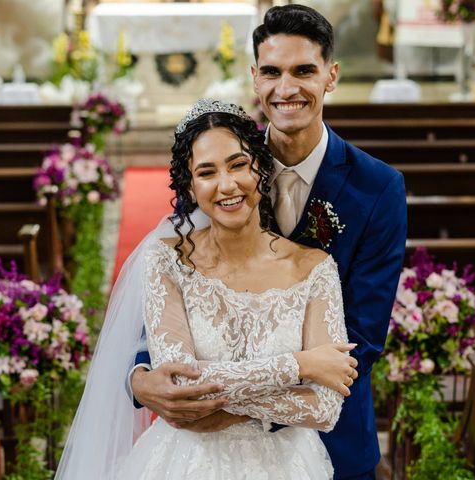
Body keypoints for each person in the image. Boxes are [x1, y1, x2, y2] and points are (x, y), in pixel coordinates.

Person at [131, 5, 407, 479]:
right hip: (204, 452)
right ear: (255, 78)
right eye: (273, 72)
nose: (287, 89)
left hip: (325, 442)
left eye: (304, 71)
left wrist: (225, 412)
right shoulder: (221, 163)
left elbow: (357, 342)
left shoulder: (377, 189)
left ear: (331, 76)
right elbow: (176, 281)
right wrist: (139, 377)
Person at [56, 99, 356, 478]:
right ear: (191, 186)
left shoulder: (314, 268)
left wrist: (220, 403)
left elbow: (324, 408)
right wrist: (299, 365)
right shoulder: (167, 262)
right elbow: (183, 384)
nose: (227, 185)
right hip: (186, 463)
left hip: (288, 465)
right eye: (207, 172)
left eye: (238, 164)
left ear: (260, 168)